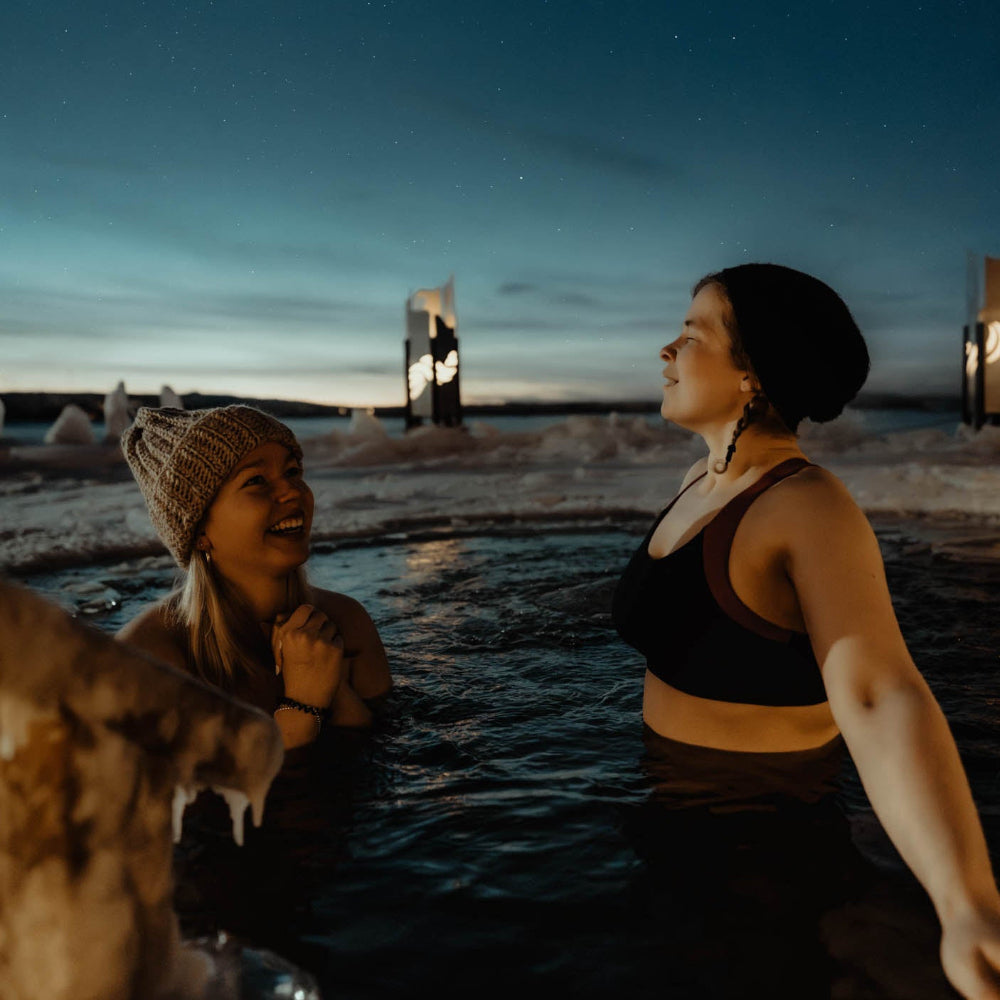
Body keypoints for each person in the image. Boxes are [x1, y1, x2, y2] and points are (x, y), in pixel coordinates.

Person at [611, 263, 1000, 999]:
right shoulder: (703, 480)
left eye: (691, 334)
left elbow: (881, 695)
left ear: (752, 372)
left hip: (761, 833)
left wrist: (966, 902)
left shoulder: (809, 506)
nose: (666, 350)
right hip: (667, 802)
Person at [117, 404, 391, 750]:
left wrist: (333, 688)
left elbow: (387, 761)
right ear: (199, 530)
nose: (293, 491)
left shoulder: (347, 622)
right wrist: (302, 708)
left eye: (292, 471)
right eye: (256, 480)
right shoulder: (148, 660)